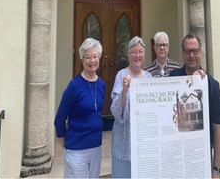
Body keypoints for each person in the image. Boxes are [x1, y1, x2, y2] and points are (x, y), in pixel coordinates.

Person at [170, 34, 220, 178]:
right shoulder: (172, 80)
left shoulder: (211, 85)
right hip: (176, 155)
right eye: (188, 51)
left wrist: (216, 169)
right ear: (182, 54)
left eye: (195, 51)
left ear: (201, 52)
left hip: (200, 156)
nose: (191, 55)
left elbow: (218, 127)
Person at [54, 38, 105, 178]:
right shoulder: (74, 86)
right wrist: (67, 146)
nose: (92, 61)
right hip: (76, 149)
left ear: (99, 58)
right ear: (82, 60)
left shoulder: (101, 84)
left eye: (95, 56)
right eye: (88, 57)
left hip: (95, 147)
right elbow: (59, 119)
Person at [111, 36, 152, 178]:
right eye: (133, 52)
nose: (137, 55)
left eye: (140, 51)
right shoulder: (121, 75)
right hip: (124, 139)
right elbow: (116, 112)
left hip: (143, 139)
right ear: (128, 54)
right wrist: (124, 90)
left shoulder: (149, 77)